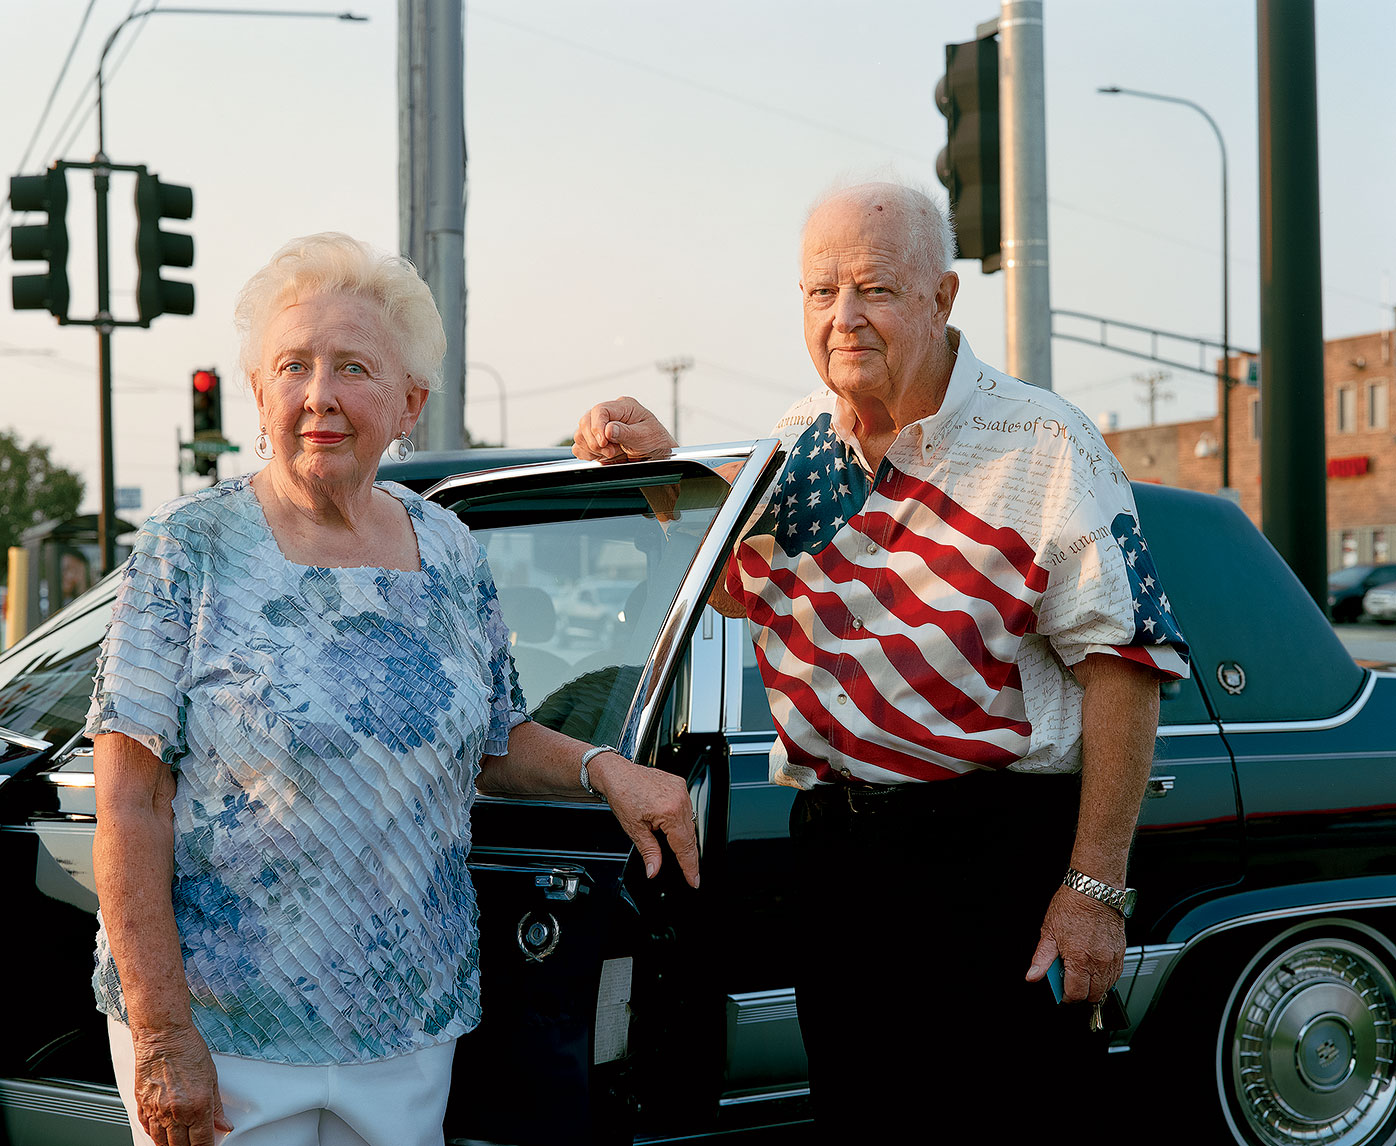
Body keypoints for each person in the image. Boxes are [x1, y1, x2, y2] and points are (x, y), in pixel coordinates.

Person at [573, 182, 1188, 1137]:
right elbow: (741, 589)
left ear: (943, 299)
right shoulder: (797, 441)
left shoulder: (1043, 442)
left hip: (1000, 857)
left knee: (1017, 1115)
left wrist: (1094, 888)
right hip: (838, 855)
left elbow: (1126, 664)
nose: (843, 318)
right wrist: (659, 475)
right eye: (821, 293)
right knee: (858, 1113)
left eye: (875, 289)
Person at [87, 232, 699, 1146]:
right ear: (258, 392)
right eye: (292, 366)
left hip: (409, 1025)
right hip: (228, 1030)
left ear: (408, 402)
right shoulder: (191, 548)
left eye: (353, 367)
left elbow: (493, 740)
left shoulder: (449, 547)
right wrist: (165, 1032)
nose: (319, 395)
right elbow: (129, 802)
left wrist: (607, 768)